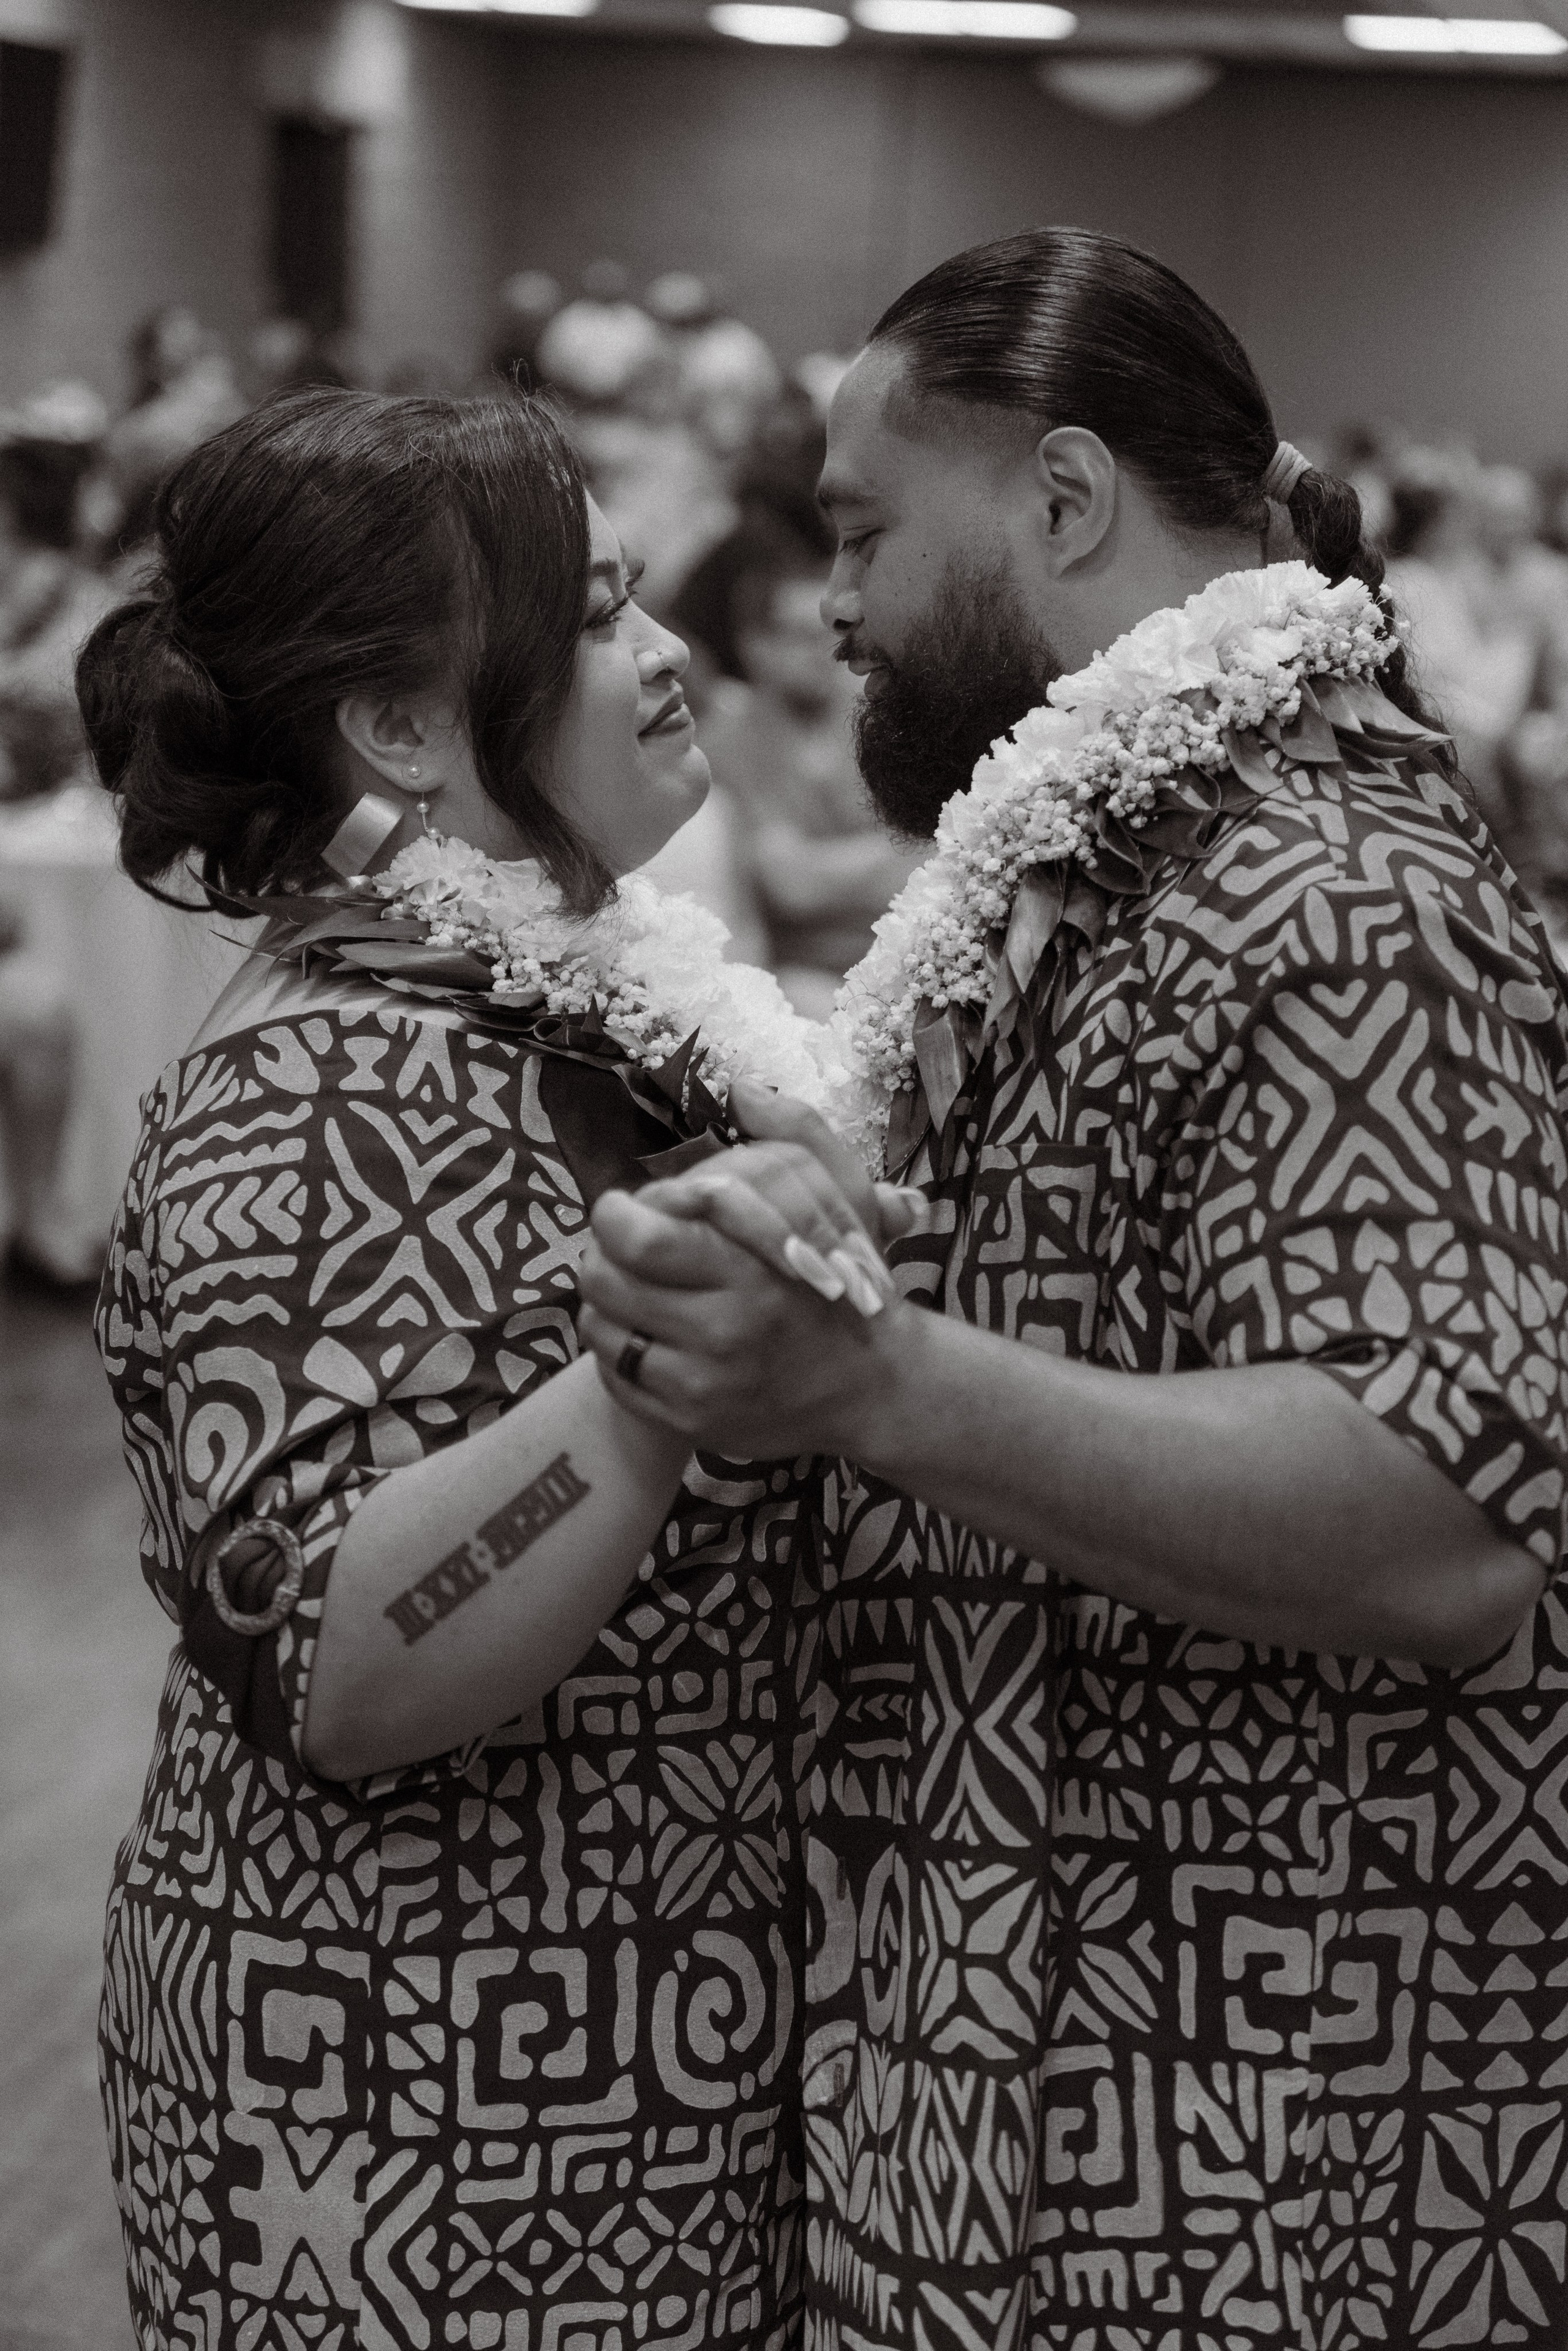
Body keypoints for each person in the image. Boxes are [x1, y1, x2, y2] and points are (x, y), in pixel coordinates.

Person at [576, 230, 1568, 2350]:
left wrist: (871, 1375)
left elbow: (1448, 1512)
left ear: (1061, 495)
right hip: (1049, 2042)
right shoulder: (1130, 862)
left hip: (1270, 2118)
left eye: (864, 530)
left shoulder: (1337, 885)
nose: (829, 600)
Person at [81, 387, 899, 2351]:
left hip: (611, 2041)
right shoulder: (317, 1081)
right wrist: (662, 1356)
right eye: (598, 616)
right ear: (399, 724)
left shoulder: (521, 991)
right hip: (413, 2102)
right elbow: (330, 1664)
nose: (666, 649)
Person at [701, 562, 922, 1019]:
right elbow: (792, 884)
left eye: (832, 635)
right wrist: (891, 854)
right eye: (802, 636)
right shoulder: (726, 744)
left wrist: (826, 866)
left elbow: (933, 855)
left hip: (911, 953)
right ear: (757, 646)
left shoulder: (878, 723)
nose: (827, 653)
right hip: (806, 977)